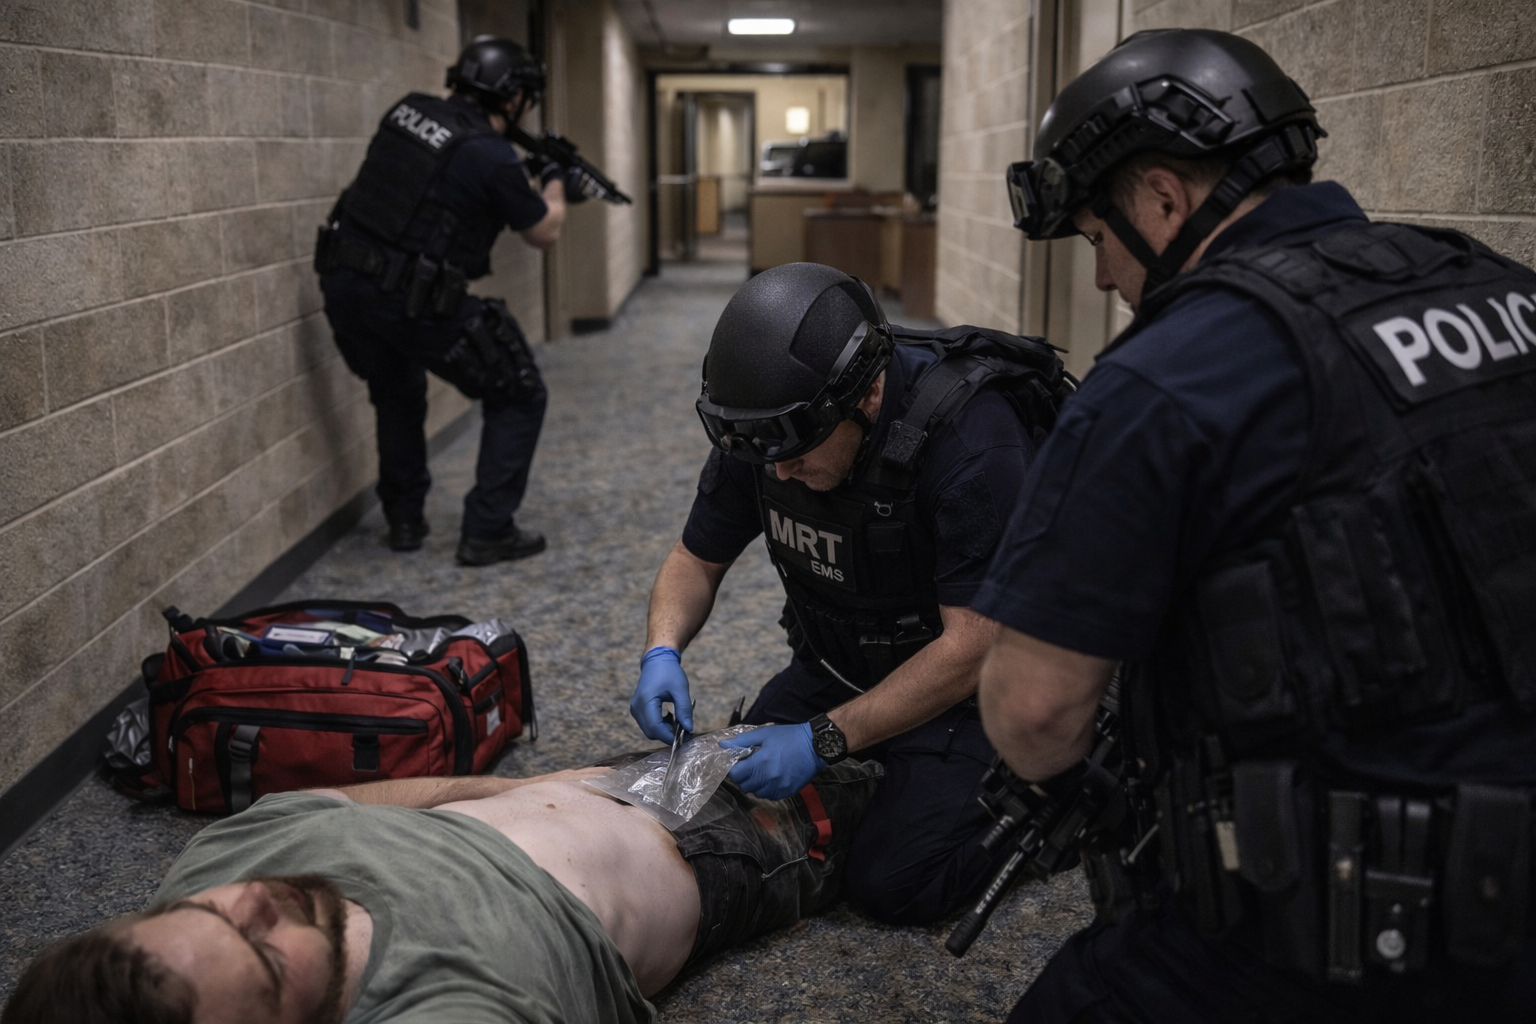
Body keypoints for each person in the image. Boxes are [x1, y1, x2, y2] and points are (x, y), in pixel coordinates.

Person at [972, 27, 1536, 1022]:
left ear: (1160, 198)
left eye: (1100, 239)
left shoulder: (1162, 376)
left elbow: (1033, 713)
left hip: (1342, 924)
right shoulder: (1494, 283)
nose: (1103, 279)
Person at [631, 262, 1049, 925]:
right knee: (725, 795)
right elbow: (694, 557)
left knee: (894, 882)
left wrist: (824, 740)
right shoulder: (773, 432)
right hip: (841, 665)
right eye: (764, 453)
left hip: (976, 694)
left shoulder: (973, 444)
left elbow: (975, 646)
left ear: (869, 396)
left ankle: (1053, 797)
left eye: (797, 453)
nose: (778, 471)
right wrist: (663, 650)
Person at [1, 752, 882, 1024]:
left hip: (614, 782)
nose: (258, 899)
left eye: (205, 913)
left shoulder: (222, 874)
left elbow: (337, 800)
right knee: (900, 803)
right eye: (265, 959)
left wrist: (514, 788)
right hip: (731, 861)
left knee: (795, 718)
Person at [315, 36, 573, 566]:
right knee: (520, 391)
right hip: (408, 297)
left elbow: (438, 187)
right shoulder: (491, 155)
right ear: (510, 96)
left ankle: (404, 521)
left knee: (397, 391)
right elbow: (543, 231)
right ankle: (488, 530)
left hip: (345, 283)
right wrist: (553, 180)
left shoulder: (408, 111)